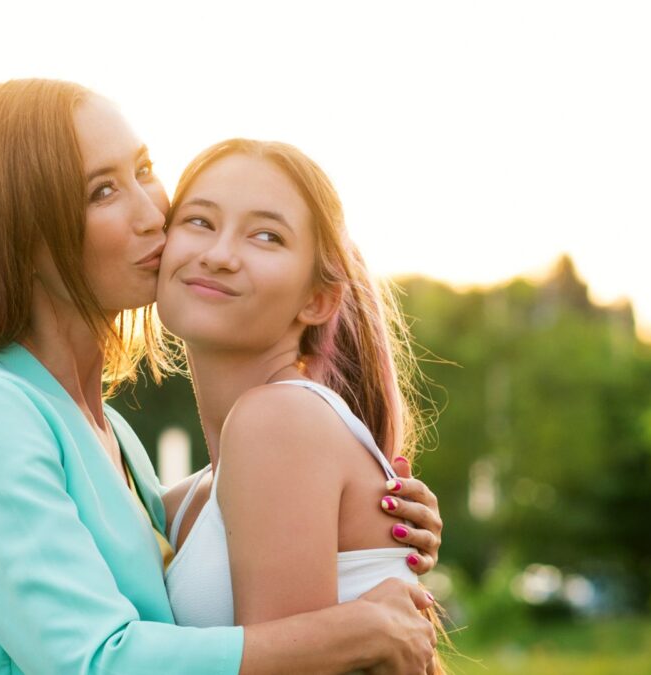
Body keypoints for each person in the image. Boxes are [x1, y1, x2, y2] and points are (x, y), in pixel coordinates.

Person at [0, 79, 444, 674]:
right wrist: (358, 626)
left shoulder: (114, 437)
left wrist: (361, 509)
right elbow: (96, 663)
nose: (154, 211)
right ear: (18, 233)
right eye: (103, 192)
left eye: (145, 169)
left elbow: (230, 509)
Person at [157, 139, 448, 673]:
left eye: (266, 235)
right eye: (199, 221)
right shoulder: (182, 503)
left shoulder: (279, 421)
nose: (219, 254)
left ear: (317, 300)